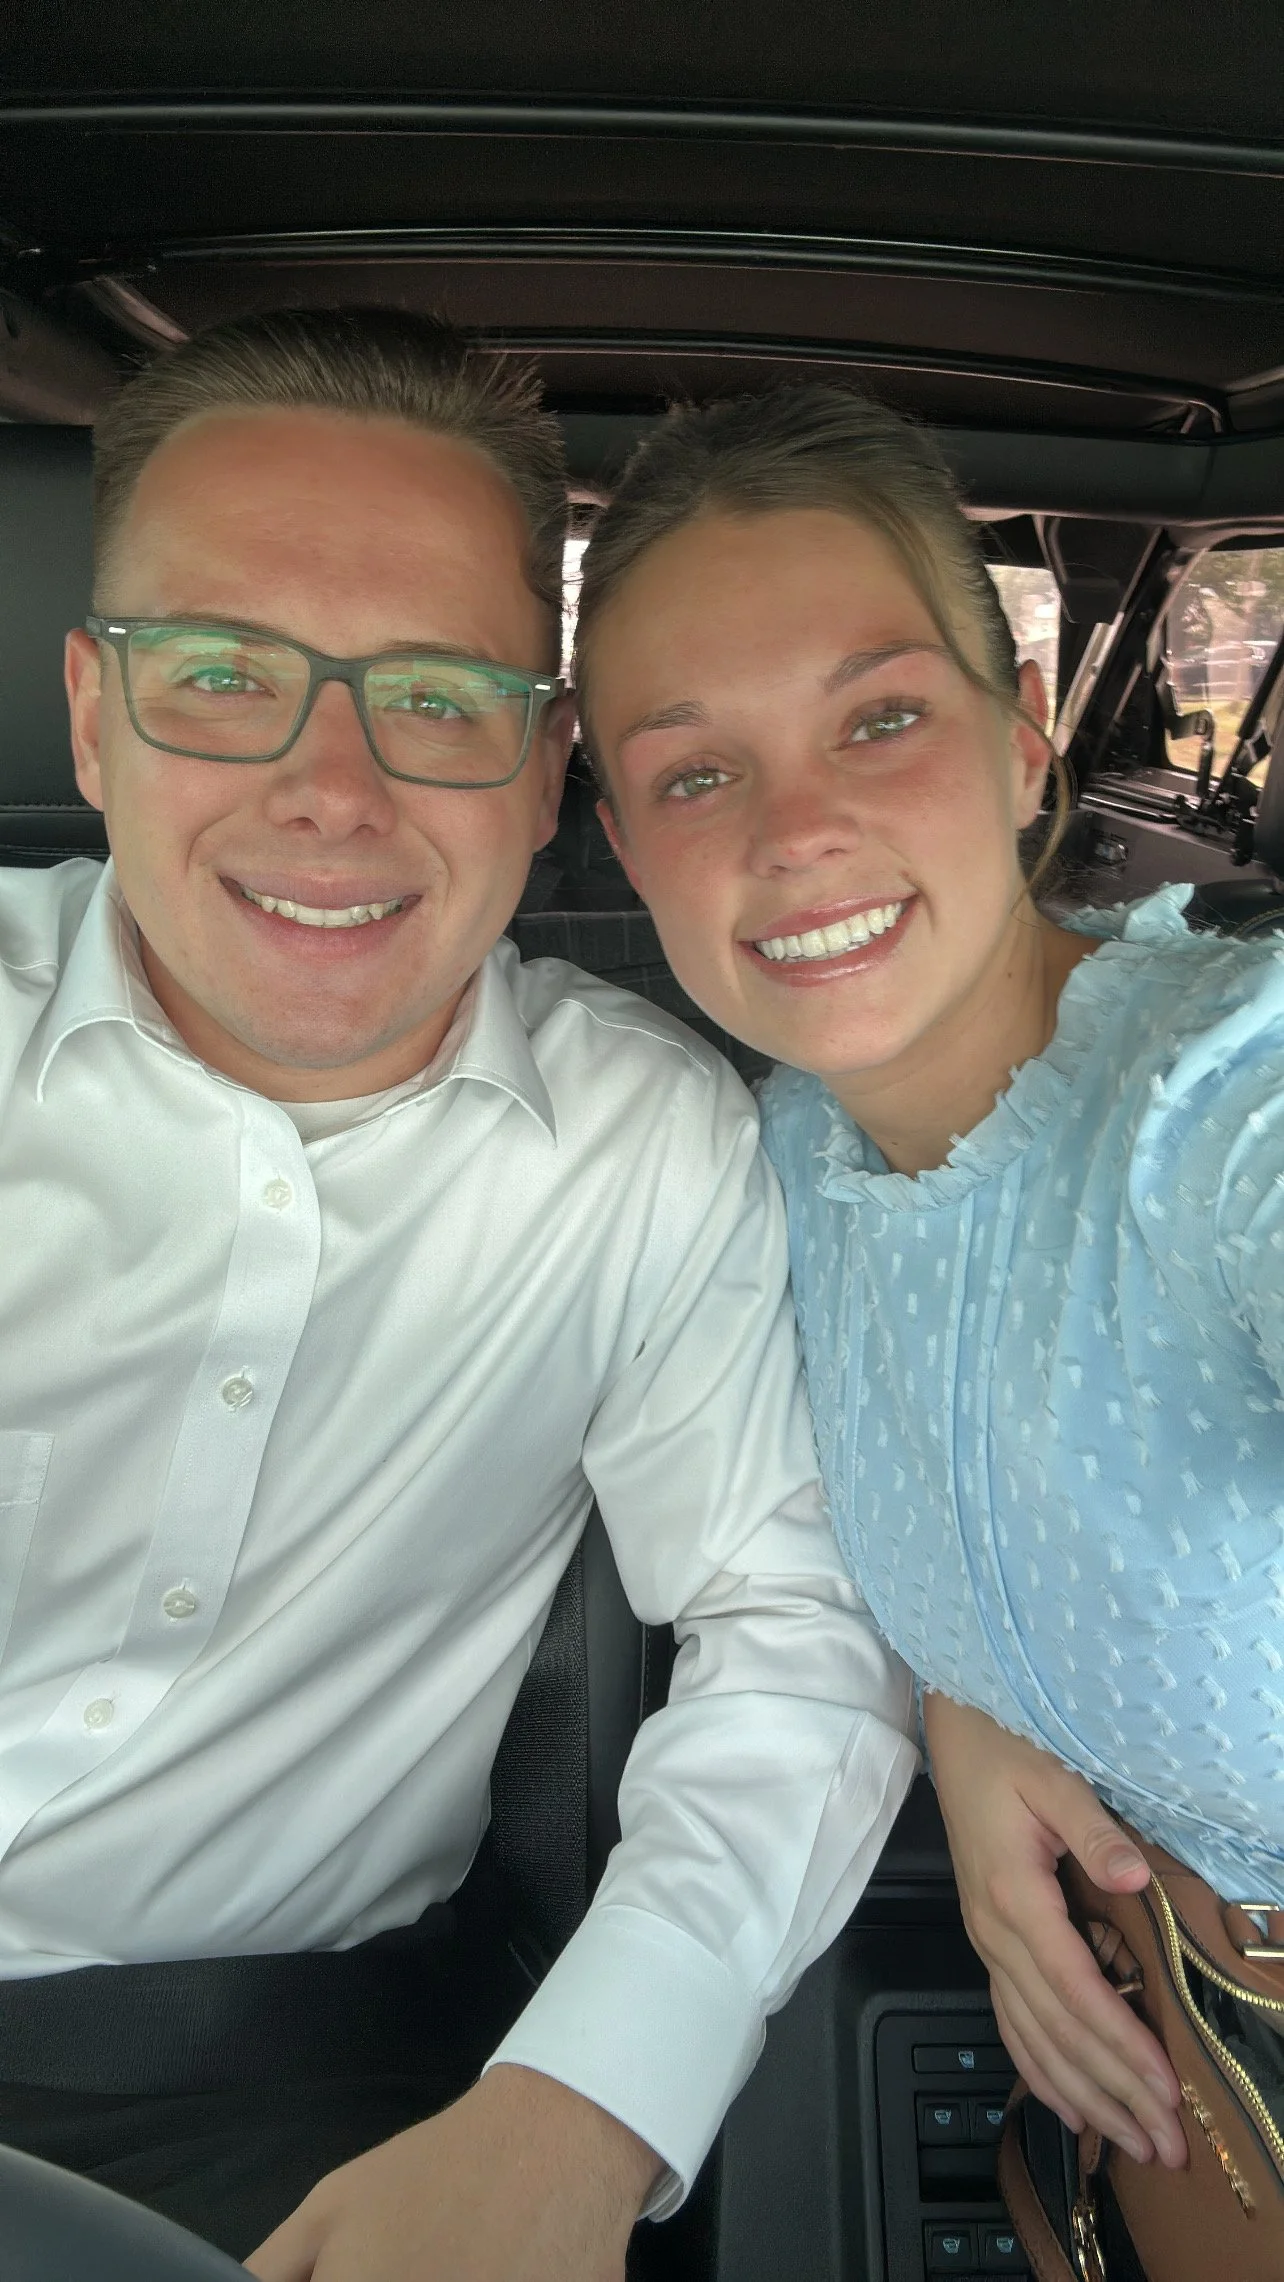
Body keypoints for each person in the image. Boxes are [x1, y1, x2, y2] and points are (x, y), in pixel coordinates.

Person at [0, 315, 922, 2278]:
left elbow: (797, 1627)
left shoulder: (654, 1151)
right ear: (93, 716)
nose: (329, 787)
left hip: (267, 2084)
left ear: (542, 766)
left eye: (432, 696)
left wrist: (583, 2110)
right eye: (222, 674)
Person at [571, 381, 1284, 2179]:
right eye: (695, 769)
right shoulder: (774, 1168)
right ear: (621, 835)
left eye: (878, 718)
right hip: (1175, 2093)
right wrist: (963, 1715)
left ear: (1028, 736)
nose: (792, 827)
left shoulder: (1223, 1102)